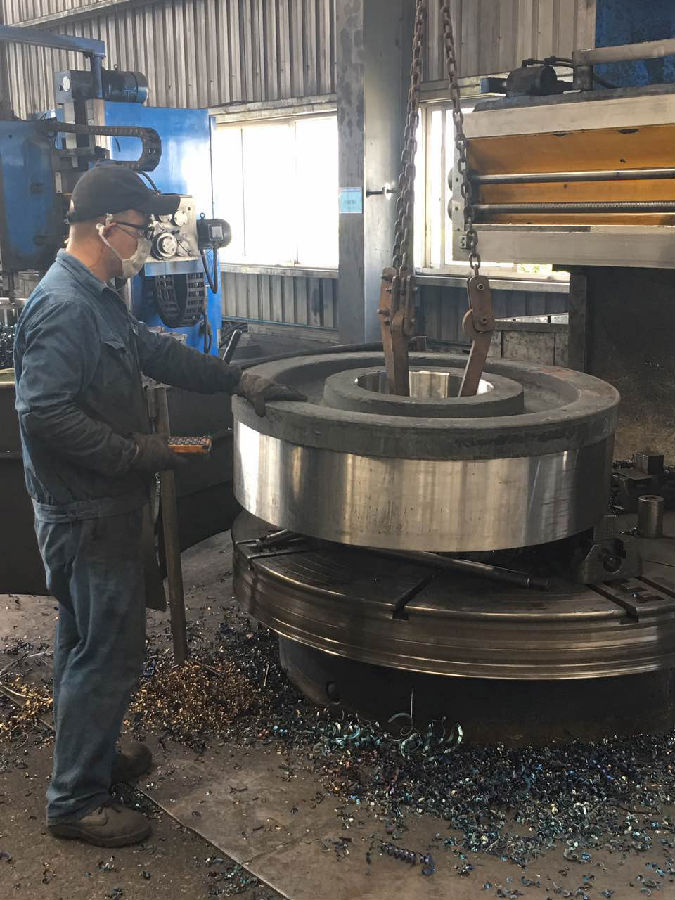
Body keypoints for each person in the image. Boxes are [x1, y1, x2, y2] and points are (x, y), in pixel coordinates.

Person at [13, 165, 304, 848]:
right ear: (104, 226)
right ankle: (75, 800)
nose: (145, 241)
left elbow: (152, 352)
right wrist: (139, 452)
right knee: (108, 654)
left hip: (98, 505)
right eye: (141, 228)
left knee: (83, 642)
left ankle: (88, 755)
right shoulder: (64, 307)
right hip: (88, 512)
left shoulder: (98, 296)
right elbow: (43, 414)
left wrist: (236, 379)